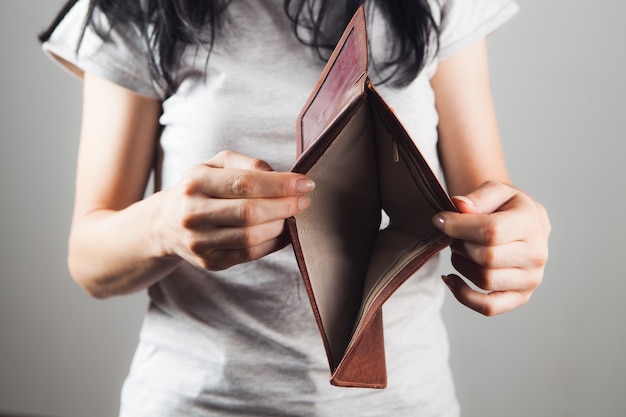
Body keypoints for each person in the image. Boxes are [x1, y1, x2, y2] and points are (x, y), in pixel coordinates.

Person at [40, 0, 550, 415]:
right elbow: (89, 262)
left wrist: (512, 241)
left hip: (403, 404)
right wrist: (165, 225)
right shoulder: (138, 10)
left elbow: (490, 205)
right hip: (199, 401)